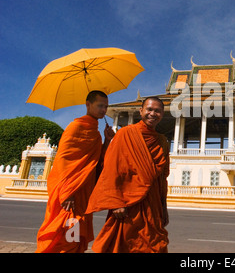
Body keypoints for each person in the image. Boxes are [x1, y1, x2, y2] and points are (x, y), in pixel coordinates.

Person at [86, 96, 170, 253]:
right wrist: (116, 202)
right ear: (141, 111)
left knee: (155, 246)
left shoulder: (162, 141)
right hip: (127, 204)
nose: (153, 114)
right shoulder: (125, 134)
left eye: (157, 111)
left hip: (153, 206)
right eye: (149, 109)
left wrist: (164, 207)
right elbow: (112, 169)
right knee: (124, 246)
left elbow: (162, 179)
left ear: (162, 114)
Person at [36, 90, 115, 253]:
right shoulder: (75, 127)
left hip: (84, 191)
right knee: (67, 231)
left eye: (106, 107)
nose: (103, 110)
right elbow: (63, 160)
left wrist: (107, 140)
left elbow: (97, 162)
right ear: (88, 105)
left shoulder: (96, 133)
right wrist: (67, 192)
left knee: (77, 233)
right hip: (70, 192)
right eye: (100, 105)